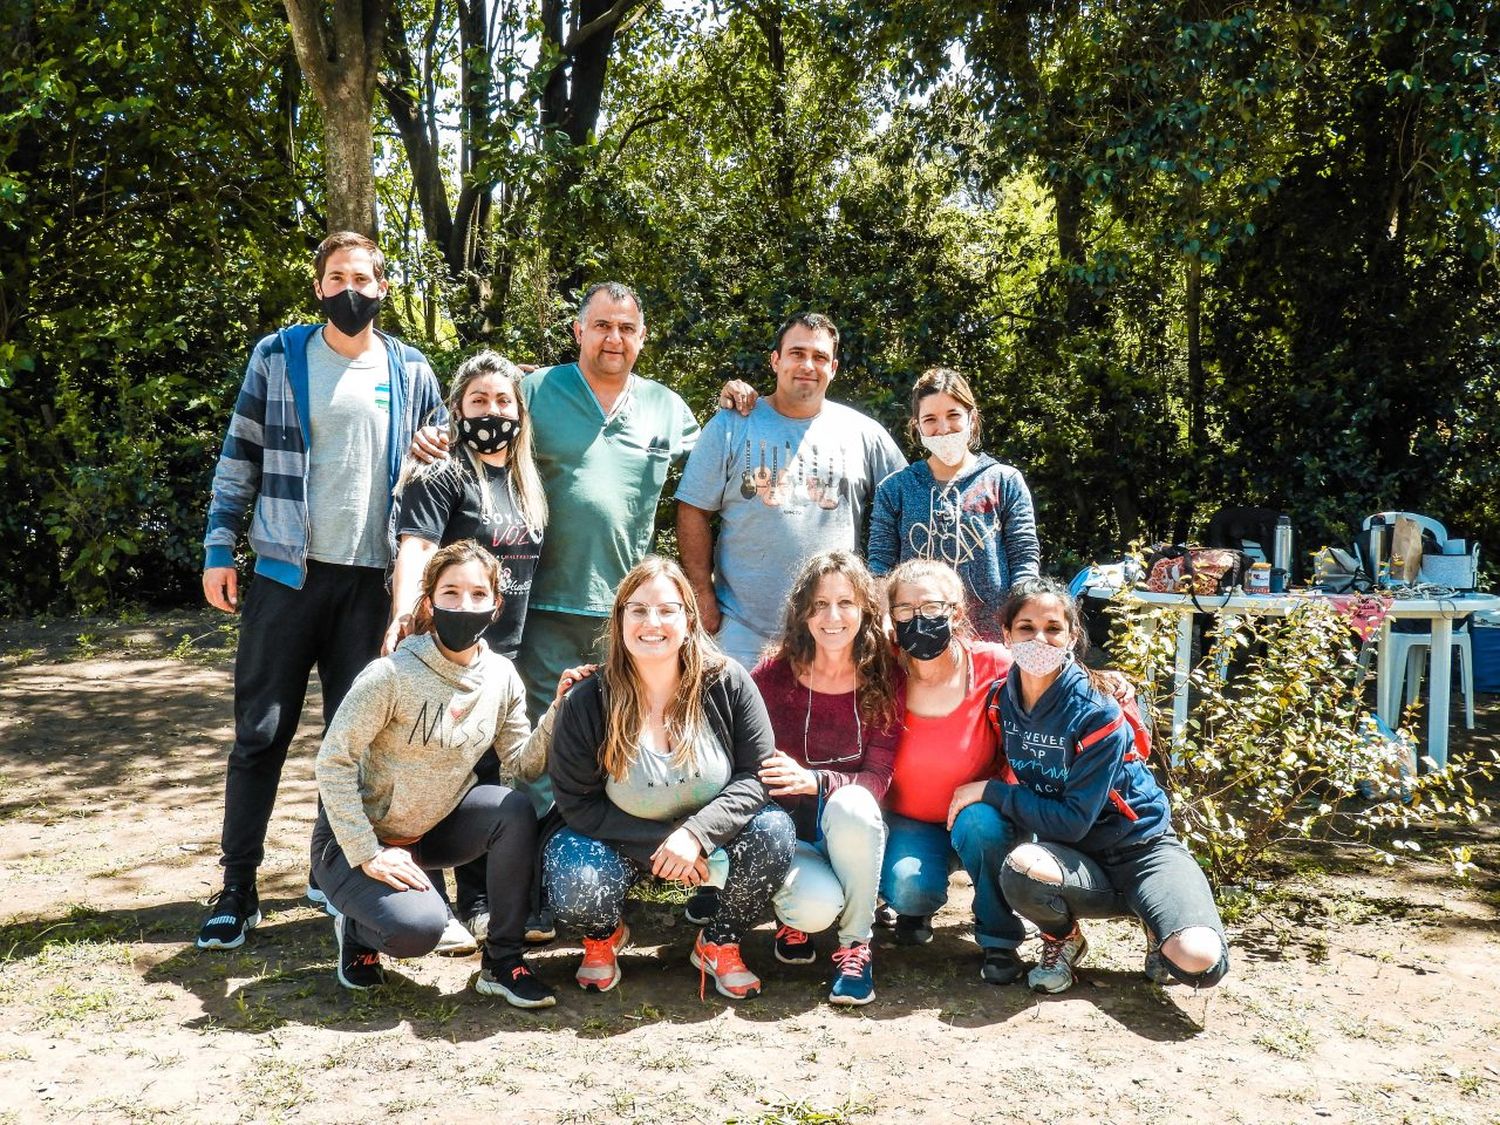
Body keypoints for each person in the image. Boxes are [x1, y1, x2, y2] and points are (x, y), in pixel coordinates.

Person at [198, 230, 443, 950]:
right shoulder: (277, 356)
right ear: (318, 287)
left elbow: (437, 471)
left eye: (363, 277)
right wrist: (221, 543)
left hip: (371, 586)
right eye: (337, 276)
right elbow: (238, 451)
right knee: (260, 734)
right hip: (285, 575)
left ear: (385, 287)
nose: (351, 289)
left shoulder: (411, 369)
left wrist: (421, 583)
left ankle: (327, 868)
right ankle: (237, 887)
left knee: (357, 741)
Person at [414, 283, 700, 725]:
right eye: (601, 326)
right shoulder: (538, 389)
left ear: (643, 337)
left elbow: (718, 466)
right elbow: (478, 415)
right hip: (540, 598)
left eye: (627, 328)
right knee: (542, 726)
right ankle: (539, 800)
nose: (614, 338)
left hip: (625, 603)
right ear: (578, 330)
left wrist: (746, 402)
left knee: (616, 724)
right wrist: (433, 434)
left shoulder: (667, 407)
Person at [947, 578, 1230, 994]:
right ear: (1006, 635)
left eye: (1053, 628)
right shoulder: (998, 702)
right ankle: (1063, 939)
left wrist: (989, 791)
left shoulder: (1096, 711)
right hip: (1075, 860)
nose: (1039, 638)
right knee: (1021, 867)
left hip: (1142, 849)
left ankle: (1155, 923)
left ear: (1072, 636)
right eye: (1025, 628)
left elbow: (1072, 821)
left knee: (1199, 960)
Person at [313, 541, 555, 1007]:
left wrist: (559, 711)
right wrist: (367, 852)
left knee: (514, 809)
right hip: (354, 840)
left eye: (478, 594)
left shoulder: (502, 676)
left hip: (432, 829)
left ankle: (503, 961)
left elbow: (522, 764)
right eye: (451, 593)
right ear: (429, 602)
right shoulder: (391, 674)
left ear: (496, 604)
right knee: (416, 932)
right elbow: (333, 760)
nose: (464, 605)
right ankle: (357, 929)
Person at [543, 557, 795, 1000]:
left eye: (666, 609)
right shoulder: (588, 699)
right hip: (620, 841)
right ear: (620, 619)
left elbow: (756, 777)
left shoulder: (728, 682)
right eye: (638, 610)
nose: (652, 622)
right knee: (572, 874)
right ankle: (603, 935)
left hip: (711, 841)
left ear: (689, 618)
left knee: (774, 832)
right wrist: (666, 844)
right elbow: (576, 803)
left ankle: (719, 941)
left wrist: (696, 835)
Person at [384, 350, 549, 952]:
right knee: (425, 771)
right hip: (439, 653)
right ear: (457, 408)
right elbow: (417, 546)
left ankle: (481, 903)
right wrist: (405, 610)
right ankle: (432, 901)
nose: (492, 412)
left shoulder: (529, 483)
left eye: (503, 401)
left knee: (485, 774)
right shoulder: (441, 471)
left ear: (519, 412)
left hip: (499, 660)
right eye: (478, 401)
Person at [676, 313, 906, 669]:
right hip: (741, 627)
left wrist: (886, 595)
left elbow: (907, 506)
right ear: (775, 360)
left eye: (819, 357)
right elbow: (692, 508)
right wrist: (702, 595)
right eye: (797, 353)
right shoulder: (732, 425)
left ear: (834, 366)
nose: (807, 365)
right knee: (732, 724)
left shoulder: (863, 433)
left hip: (832, 628)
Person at [750, 550, 900, 1007]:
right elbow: (751, 765)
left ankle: (855, 946)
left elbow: (877, 779)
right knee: (813, 909)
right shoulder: (774, 675)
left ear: (866, 611)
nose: (832, 616)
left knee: (854, 802)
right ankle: (791, 915)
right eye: (818, 604)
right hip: (790, 835)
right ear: (802, 612)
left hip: (854, 829)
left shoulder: (886, 675)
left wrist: (813, 781)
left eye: (846, 603)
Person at [878, 559, 1028, 984]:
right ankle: (918, 908)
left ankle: (999, 937)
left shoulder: (994, 665)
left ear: (957, 612)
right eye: (904, 609)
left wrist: (1105, 679)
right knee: (908, 889)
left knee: (981, 826)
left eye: (930, 607)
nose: (917, 618)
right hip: (911, 818)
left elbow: (1050, 689)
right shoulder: (883, 670)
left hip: (982, 811)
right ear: (891, 618)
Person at [868, 367, 1040, 641]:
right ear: (917, 425)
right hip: (917, 642)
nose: (943, 428)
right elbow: (880, 567)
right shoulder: (894, 489)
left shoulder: (1004, 481)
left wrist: (1023, 621)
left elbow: (1024, 561)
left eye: (953, 415)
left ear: (972, 417)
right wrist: (884, 618)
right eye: (930, 419)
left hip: (993, 643)